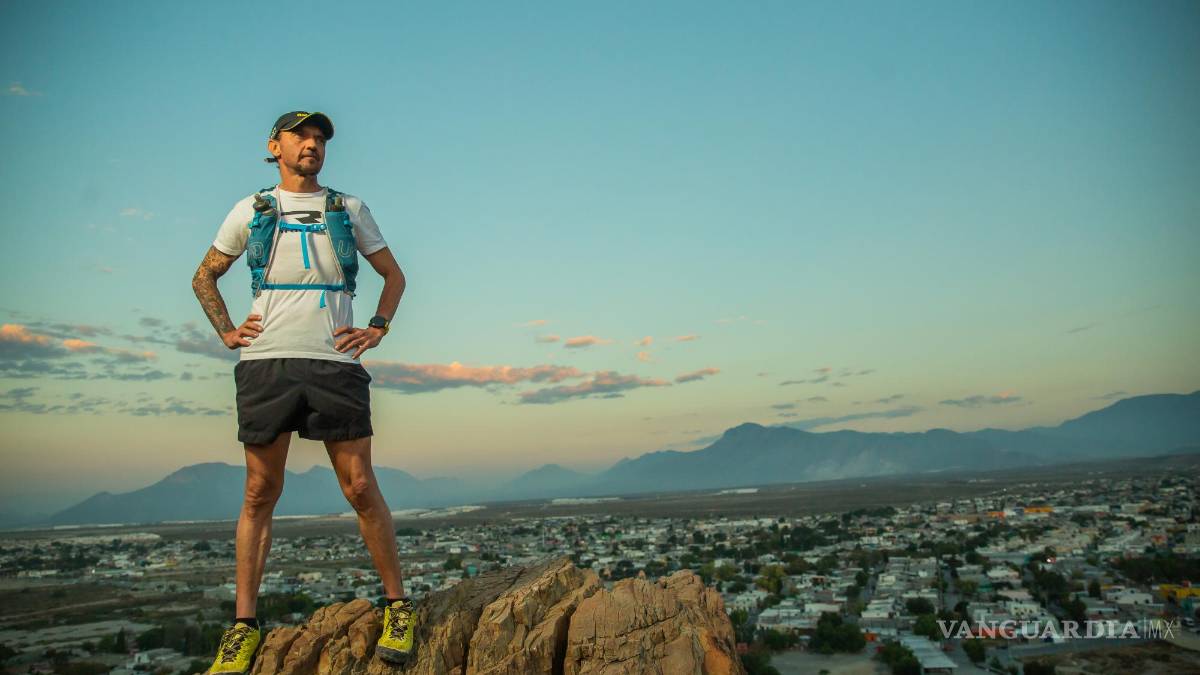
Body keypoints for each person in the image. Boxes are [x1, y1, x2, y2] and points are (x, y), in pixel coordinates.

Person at [190, 111, 414, 673]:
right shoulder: (251, 209)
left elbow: (394, 275)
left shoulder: (349, 208)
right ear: (275, 146)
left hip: (335, 361)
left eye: (319, 139)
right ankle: (243, 627)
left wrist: (378, 326)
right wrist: (226, 331)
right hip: (265, 362)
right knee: (259, 491)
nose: (312, 145)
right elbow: (204, 275)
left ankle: (398, 609)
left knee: (359, 486)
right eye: (301, 136)